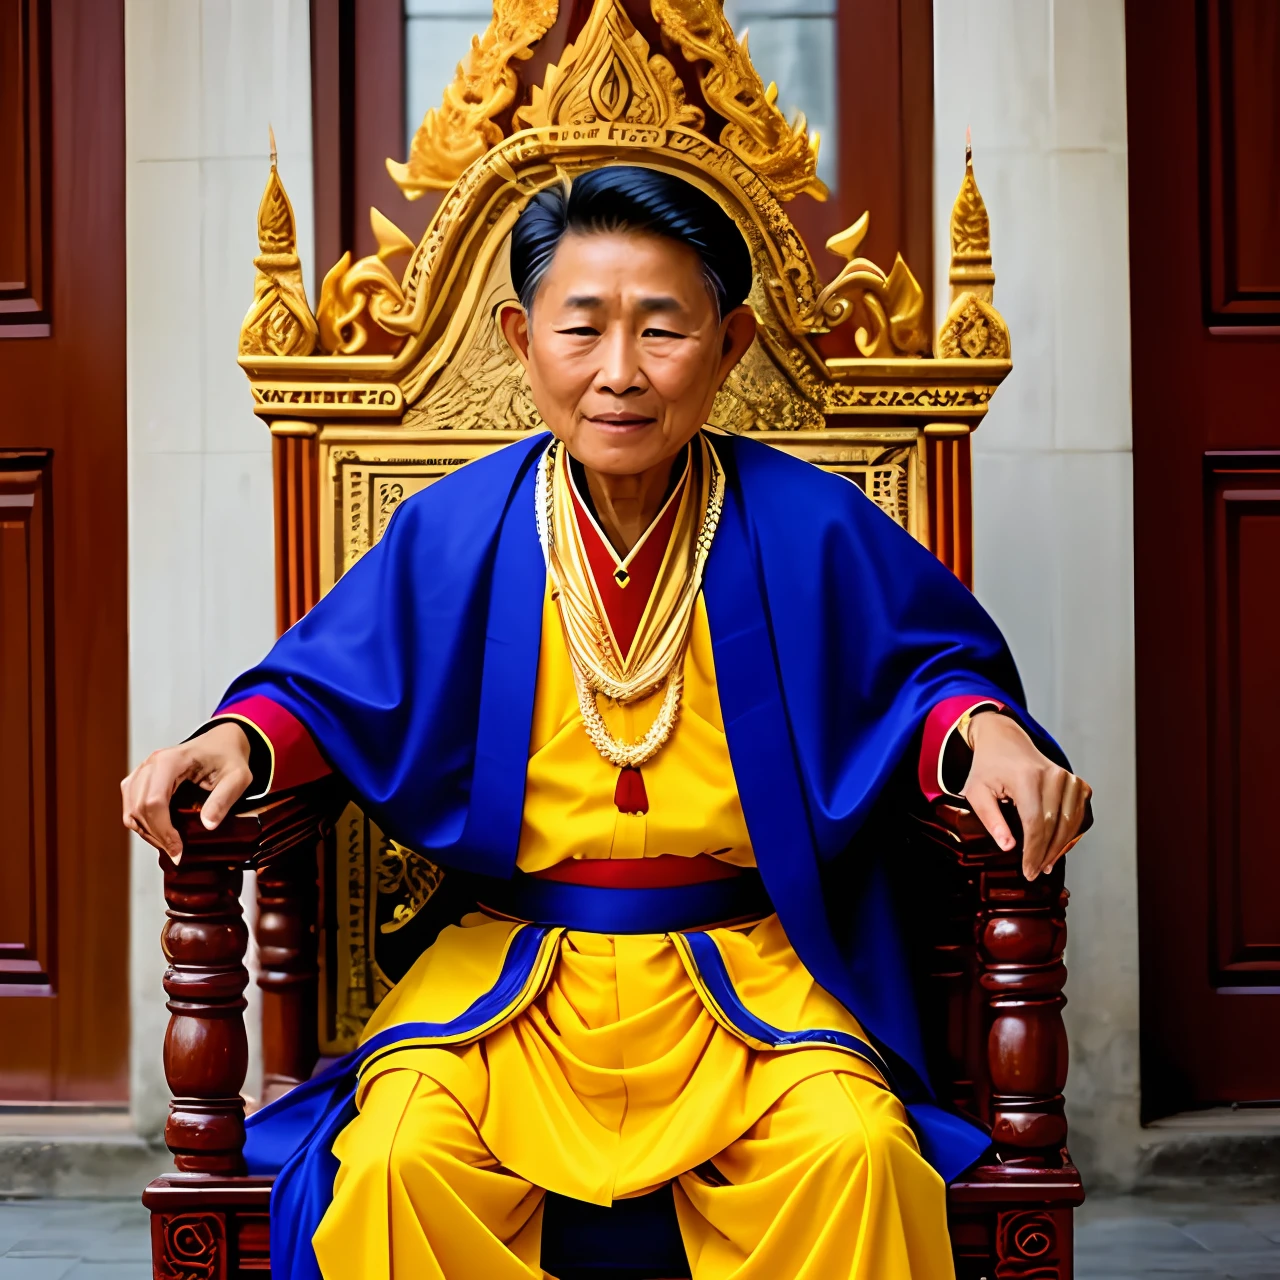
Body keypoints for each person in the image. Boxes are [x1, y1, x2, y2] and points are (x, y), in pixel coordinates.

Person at [122, 165, 1091, 1280]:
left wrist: (991, 734)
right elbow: (320, 690)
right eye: (579, 329)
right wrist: (230, 741)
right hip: (508, 989)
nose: (619, 373)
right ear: (517, 338)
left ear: (728, 348)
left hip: (750, 981)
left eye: (663, 331)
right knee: (391, 1162)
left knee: (857, 1152)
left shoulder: (809, 522)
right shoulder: (453, 529)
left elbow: (926, 678)